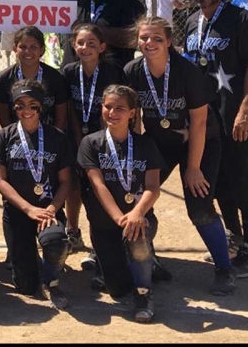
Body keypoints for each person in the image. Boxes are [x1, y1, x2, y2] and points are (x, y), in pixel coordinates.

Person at [124, 16, 236, 295]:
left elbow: (199, 121)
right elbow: (133, 116)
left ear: (169, 42)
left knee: (198, 204)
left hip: (199, 142)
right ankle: (147, 258)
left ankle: (224, 269)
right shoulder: (133, 70)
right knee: (136, 197)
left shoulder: (186, 71)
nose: (149, 43)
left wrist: (193, 167)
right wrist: (135, 156)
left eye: (157, 38)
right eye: (144, 38)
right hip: (159, 142)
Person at [183, 0, 248, 278]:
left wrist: (246, 110)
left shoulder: (240, 19)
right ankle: (232, 239)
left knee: (246, 179)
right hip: (207, 120)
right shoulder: (192, 22)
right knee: (217, 181)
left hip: (236, 116)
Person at [77, 85, 163, 323]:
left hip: (138, 217)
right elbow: (98, 185)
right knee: (117, 290)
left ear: (132, 113)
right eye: (108, 107)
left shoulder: (146, 144)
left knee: (137, 238)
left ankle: (144, 294)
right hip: (106, 222)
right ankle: (142, 264)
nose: (112, 113)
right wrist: (119, 218)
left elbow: (152, 188)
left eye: (120, 108)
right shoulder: (90, 143)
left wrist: (136, 213)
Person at [0, 80, 71, 309]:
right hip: (18, 212)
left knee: (54, 242)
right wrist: (28, 209)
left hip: (48, 210)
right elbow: (1, 181)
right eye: (20, 105)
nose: (26, 110)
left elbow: (65, 182)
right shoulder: (4, 137)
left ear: (41, 107)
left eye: (33, 105)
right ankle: (29, 261)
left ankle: (52, 281)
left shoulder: (57, 137)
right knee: (25, 286)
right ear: (14, 108)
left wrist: (52, 208)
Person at [62, 23, 124, 256]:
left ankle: (102, 237)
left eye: (91, 44)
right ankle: (73, 232)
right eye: (80, 43)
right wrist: (79, 139)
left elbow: (118, 108)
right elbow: (68, 108)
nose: (85, 47)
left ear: (102, 47)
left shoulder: (112, 72)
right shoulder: (68, 71)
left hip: (105, 137)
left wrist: (104, 140)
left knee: (102, 187)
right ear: (73, 45)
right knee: (75, 185)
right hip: (76, 136)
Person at [0, 26, 70, 131]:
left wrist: (52, 140)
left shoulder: (56, 79)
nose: (28, 51)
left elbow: (61, 119)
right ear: (15, 49)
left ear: (42, 49)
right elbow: (4, 119)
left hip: (50, 139)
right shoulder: (4, 79)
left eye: (33, 47)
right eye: (23, 47)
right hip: (16, 139)